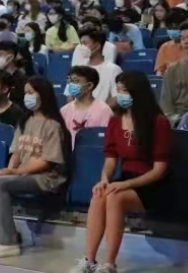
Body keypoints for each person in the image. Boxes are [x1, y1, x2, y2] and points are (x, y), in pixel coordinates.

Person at [72, 71, 172, 273]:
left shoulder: (158, 122)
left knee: (114, 197)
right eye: (118, 91)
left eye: (124, 91)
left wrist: (124, 185)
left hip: (151, 184)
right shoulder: (116, 121)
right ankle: (89, 260)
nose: (120, 95)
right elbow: (111, 159)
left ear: (137, 92)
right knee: (100, 194)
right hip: (125, 178)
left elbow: (159, 170)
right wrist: (104, 179)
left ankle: (109, 264)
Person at [0, 76, 71, 258]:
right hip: (24, 173)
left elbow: (46, 162)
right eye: (25, 93)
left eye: (30, 92)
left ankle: (7, 242)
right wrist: (9, 170)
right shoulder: (25, 121)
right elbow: (16, 152)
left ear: (42, 95)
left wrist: (14, 172)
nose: (26, 96)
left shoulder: (53, 125)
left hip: (46, 177)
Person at [60, 66, 114, 147]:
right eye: (70, 81)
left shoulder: (104, 110)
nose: (71, 85)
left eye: (76, 81)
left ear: (89, 86)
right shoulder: (64, 110)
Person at [78, 30, 121, 103]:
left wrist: (99, 109)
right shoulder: (78, 69)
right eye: (80, 44)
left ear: (97, 46)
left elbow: (116, 98)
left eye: (84, 43)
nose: (81, 47)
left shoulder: (114, 70)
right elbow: (70, 95)